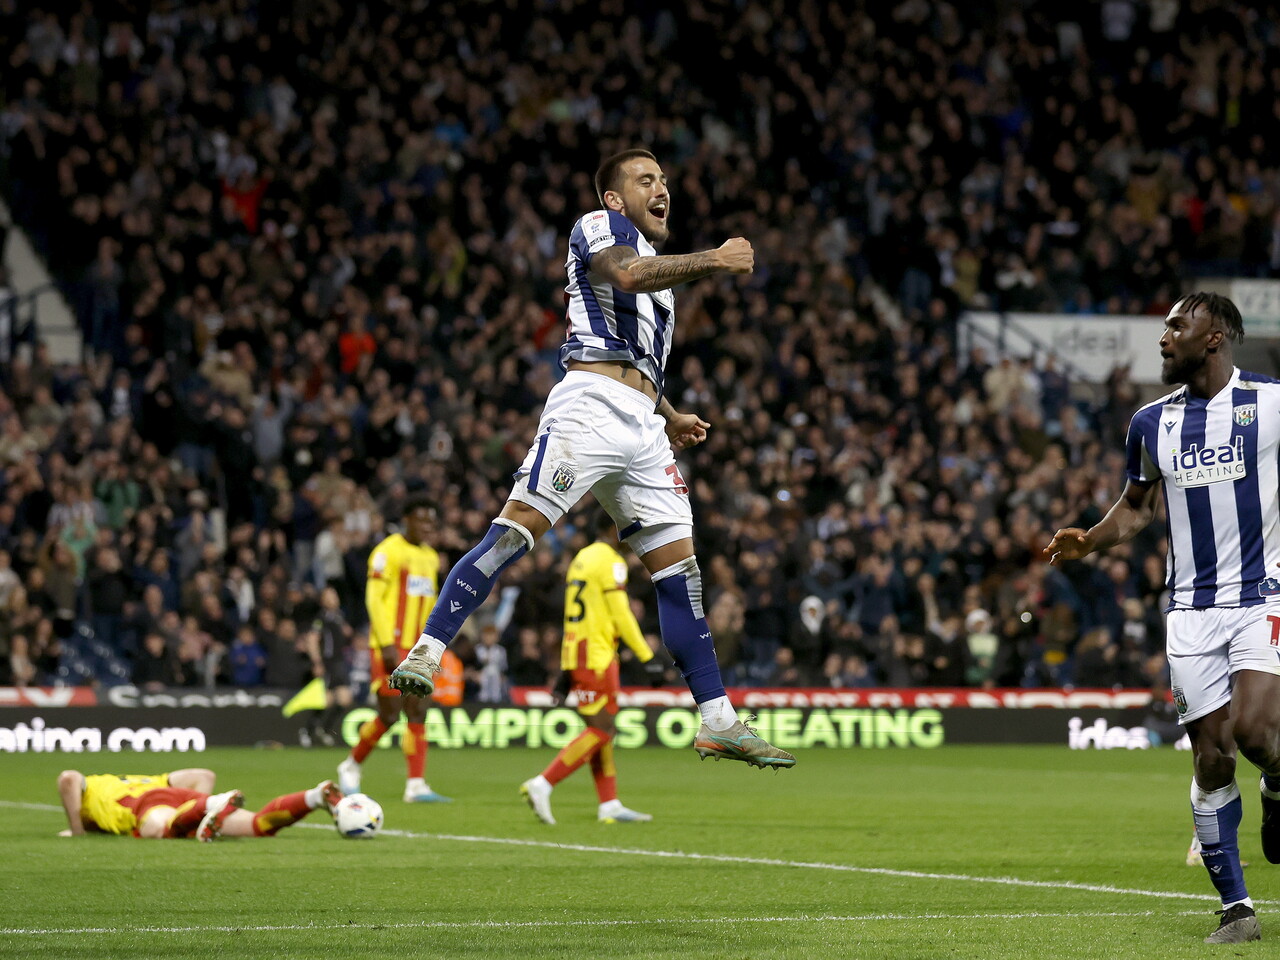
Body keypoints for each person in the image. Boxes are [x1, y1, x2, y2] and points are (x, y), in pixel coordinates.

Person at [389, 148, 794, 769]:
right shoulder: (599, 227)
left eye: (664, 179)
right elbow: (625, 277)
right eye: (645, 179)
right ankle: (427, 649)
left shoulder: (662, 273)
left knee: (680, 576)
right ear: (614, 197)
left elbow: (640, 356)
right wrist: (714, 260)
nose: (662, 188)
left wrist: (670, 413)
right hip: (590, 408)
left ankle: (717, 721)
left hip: (644, 427)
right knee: (515, 533)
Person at [1044, 292, 1277, 944]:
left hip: (1262, 597)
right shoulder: (1152, 423)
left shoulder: (1272, 404)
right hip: (1190, 610)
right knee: (1211, 760)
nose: (1164, 337)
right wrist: (1089, 540)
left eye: (1178, 325)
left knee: (1257, 733)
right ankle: (1236, 909)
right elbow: (1138, 508)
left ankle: (1279, 785)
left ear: (1216, 337)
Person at [521, 510, 656, 825]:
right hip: (597, 656)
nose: (632, 536)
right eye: (628, 529)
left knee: (601, 731)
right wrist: (647, 655)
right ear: (614, 529)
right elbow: (620, 612)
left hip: (578, 654)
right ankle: (543, 783)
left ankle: (609, 804)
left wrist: (566, 670)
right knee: (601, 729)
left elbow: (574, 614)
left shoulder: (581, 558)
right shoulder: (610, 561)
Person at [338, 494, 451, 802]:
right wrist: (386, 643)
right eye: (421, 520)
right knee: (388, 715)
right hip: (390, 645)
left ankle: (416, 785)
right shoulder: (386, 552)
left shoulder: (430, 557)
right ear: (406, 520)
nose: (427, 526)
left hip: (419, 648)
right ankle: (350, 765)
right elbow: (374, 599)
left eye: (431, 521)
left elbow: (430, 601)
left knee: (418, 710)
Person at [56, 767, 342, 841]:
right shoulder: (146, 778)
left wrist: (77, 830)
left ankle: (211, 806)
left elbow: (68, 779)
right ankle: (315, 796)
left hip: (147, 804)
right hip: (183, 799)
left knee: (158, 829)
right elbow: (204, 775)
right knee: (259, 825)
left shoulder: (94, 788)